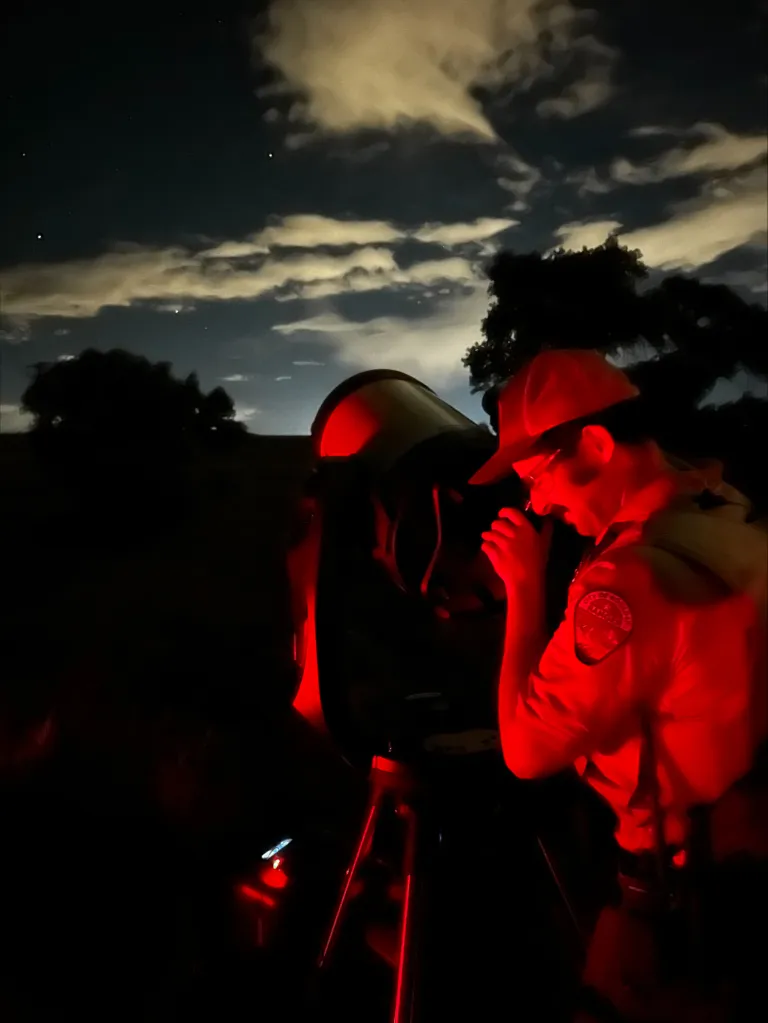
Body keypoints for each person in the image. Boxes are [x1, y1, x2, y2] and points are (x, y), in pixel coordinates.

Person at [470, 349, 768, 1021]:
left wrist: (524, 590)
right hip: (746, 844)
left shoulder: (629, 579)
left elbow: (525, 750)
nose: (535, 502)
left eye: (537, 476)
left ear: (597, 445)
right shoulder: (724, 511)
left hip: (686, 899)